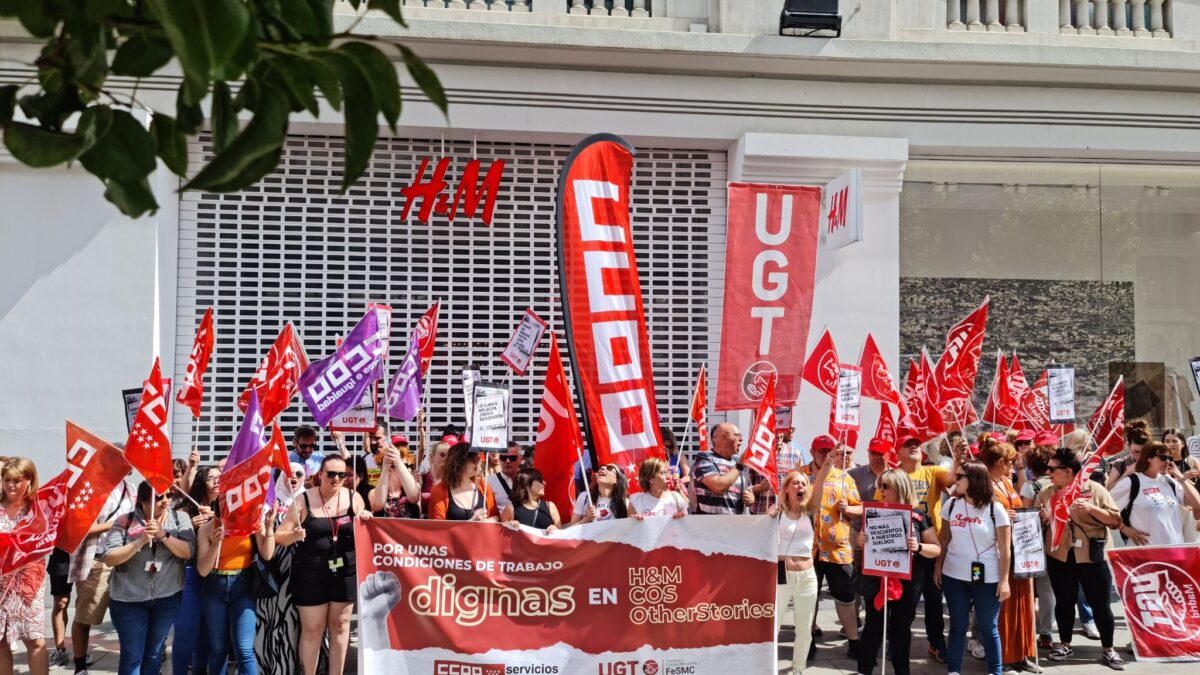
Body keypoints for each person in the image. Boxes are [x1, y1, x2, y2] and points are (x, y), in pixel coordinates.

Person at [273, 455, 370, 675]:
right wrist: (295, 535)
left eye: (342, 475)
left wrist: (365, 516)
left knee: (341, 626)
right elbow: (279, 536)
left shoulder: (354, 497)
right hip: (310, 572)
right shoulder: (304, 499)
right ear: (320, 474)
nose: (337, 479)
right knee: (313, 630)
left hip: (345, 570)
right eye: (331, 474)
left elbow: (365, 529)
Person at [1033, 448, 1124, 669]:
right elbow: (1033, 525)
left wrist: (1091, 508)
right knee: (1064, 602)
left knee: (1101, 604)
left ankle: (1108, 649)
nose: (1049, 472)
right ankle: (1064, 644)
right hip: (1059, 555)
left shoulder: (1094, 489)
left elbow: (1115, 520)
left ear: (1068, 471)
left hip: (1092, 556)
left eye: (1053, 469)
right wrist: (1042, 519)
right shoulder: (1046, 492)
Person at [855, 470, 942, 675]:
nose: (881, 490)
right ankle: (864, 670)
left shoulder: (918, 515)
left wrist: (918, 547)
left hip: (908, 581)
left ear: (900, 488)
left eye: (886, 486)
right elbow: (862, 542)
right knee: (873, 627)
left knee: (901, 629)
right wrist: (861, 541)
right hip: (877, 578)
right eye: (880, 486)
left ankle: (902, 671)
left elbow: (936, 548)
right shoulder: (874, 512)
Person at [103, 483, 194, 675]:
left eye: (169, 495)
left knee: (154, 653)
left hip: (167, 598)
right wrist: (140, 542)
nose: (165, 500)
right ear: (143, 501)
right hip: (128, 600)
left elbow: (187, 552)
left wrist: (163, 535)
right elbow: (109, 557)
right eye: (159, 497)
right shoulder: (125, 521)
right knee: (132, 655)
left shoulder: (180, 518)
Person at [935, 461, 1012, 675]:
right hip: (953, 574)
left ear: (975, 480)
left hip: (988, 577)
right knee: (958, 626)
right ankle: (954, 671)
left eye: (960, 477)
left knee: (988, 626)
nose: (955, 480)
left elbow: (1005, 550)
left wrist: (1004, 580)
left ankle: (995, 671)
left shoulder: (996, 509)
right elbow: (944, 539)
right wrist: (938, 566)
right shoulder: (950, 504)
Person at [196, 486, 278, 675]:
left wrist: (269, 525)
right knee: (218, 648)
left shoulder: (249, 524)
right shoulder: (207, 528)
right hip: (214, 587)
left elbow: (267, 554)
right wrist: (215, 545)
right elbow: (202, 570)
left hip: (243, 584)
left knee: (244, 648)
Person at [893, 432, 958, 662]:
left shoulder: (932, 472)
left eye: (916, 444)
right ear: (898, 452)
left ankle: (936, 642)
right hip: (902, 549)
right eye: (907, 444)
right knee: (906, 602)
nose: (913, 446)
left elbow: (952, 478)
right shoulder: (893, 476)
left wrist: (957, 457)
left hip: (931, 546)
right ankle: (896, 641)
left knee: (934, 598)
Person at [978, 435, 1037, 674]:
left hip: (1019, 546)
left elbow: (1016, 506)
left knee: (1023, 601)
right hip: (999, 549)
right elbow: (981, 515)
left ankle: (1021, 653)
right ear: (1000, 461)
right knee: (1004, 604)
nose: (1014, 465)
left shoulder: (1005, 481)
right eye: (1011, 461)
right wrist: (1004, 515)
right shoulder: (984, 485)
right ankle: (1004, 656)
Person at [256, 461, 322, 675]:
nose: (292, 477)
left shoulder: (312, 500)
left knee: (303, 624)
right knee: (276, 620)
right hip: (275, 573)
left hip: (305, 573)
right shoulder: (268, 502)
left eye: (298, 473)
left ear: (306, 476)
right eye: (287, 473)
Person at [68, 478, 133, 675]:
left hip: (126, 558)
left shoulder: (131, 488)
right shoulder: (93, 488)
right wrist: (118, 523)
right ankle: (80, 666)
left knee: (129, 614)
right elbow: (83, 528)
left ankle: (132, 663)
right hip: (98, 560)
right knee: (86, 615)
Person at [808, 438, 862, 658]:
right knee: (808, 597)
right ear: (812, 452)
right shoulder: (799, 475)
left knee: (846, 597)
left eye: (829, 452)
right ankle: (807, 639)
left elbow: (861, 508)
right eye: (821, 452)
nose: (825, 455)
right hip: (807, 548)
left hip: (837, 548)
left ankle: (854, 642)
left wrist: (848, 508)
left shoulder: (844, 478)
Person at [0, 457, 49, 675]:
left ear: (29, 480)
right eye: (7, 479)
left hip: (28, 587)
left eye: (17, 480)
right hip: (0, 587)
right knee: (0, 642)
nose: (11, 485)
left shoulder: (40, 510)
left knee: (35, 641)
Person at [768, 470, 818, 675]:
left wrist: (829, 461)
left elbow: (821, 479)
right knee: (774, 626)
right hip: (781, 574)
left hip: (807, 576)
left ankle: (798, 669)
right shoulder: (777, 513)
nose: (800, 487)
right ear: (787, 488)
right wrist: (768, 517)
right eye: (795, 483)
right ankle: (769, 668)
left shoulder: (811, 511)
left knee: (804, 630)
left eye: (804, 484)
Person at [1109, 440, 1200, 547]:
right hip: (1144, 553)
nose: (1167, 462)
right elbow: (1107, 510)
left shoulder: (1170, 482)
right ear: (1148, 458)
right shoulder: (1131, 482)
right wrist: (1124, 529)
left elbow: (1196, 502)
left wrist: (1180, 476)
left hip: (1175, 550)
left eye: (1170, 458)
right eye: (1163, 458)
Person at [172, 465, 218, 675]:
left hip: (218, 576)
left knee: (209, 633)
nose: (217, 481)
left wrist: (216, 517)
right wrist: (190, 524)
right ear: (201, 482)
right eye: (212, 478)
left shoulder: (228, 507)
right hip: (191, 574)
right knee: (186, 630)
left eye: (221, 477)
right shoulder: (185, 510)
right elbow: (174, 543)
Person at [692, 423, 755, 515]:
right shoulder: (705, 457)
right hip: (709, 525)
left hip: (734, 525)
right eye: (737, 435)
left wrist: (751, 498)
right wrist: (740, 465)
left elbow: (749, 490)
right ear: (724, 437)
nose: (741, 439)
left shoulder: (737, 461)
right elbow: (717, 486)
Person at [427, 443, 500, 521]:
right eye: (474, 461)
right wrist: (471, 522)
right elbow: (437, 528)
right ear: (459, 463)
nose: (478, 463)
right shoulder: (439, 491)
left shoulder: (483, 486)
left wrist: (488, 521)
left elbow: (495, 515)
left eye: (479, 460)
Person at [368, 443, 421, 518]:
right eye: (394, 465)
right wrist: (386, 468)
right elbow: (378, 505)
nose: (405, 469)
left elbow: (414, 497)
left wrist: (399, 463)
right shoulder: (373, 493)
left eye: (406, 465)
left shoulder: (415, 487)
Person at [46, 547, 72, 669]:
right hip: (62, 554)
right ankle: (60, 650)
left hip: (87, 553)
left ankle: (82, 651)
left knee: (84, 603)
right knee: (61, 603)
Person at [1105, 421, 1150, 490]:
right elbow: (1109, 490)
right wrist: (1127, 473)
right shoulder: (1120, 464)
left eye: (1144, 452)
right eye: (1136, 452)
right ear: (1129, 446)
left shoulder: (1152, 462)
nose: (1140, 456)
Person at [487, 442, 523, 513]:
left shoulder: (528, 480)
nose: (507, 461)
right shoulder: (488, 482)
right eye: (503, 458)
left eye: (512, 458)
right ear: (499, 459)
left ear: (521, 459)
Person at [419, 440, 451, 516]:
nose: (447, 458)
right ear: (431, 457)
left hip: (445, 524)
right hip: (423, 523)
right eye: (442, 455)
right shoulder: (422, 478)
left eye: (449, 456)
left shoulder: (452, 481)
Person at [660, 428, 692, 495]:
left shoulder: (679, 456)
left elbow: (689, 477)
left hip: (676, 492)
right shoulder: (654, 458)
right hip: (660, 493)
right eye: (665, 447)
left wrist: (678, 481)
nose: (668, 449)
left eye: (670, 446)